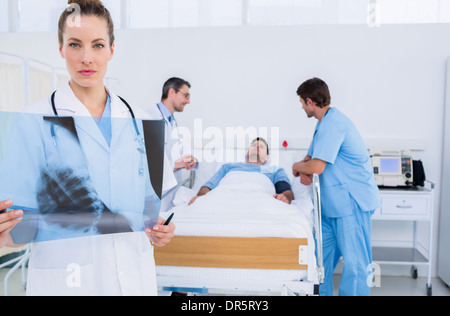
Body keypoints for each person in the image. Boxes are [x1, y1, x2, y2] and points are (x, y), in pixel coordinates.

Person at [0, 0, 176, 296]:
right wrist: (6, 233)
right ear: (60, 49)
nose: (86, 58)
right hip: (67, 283)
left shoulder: (141, 119)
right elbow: (20, 228)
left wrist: (162, 232)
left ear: (111, 50)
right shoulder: (31, 121)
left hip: (133, 279)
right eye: (74, 44)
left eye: (97, 45)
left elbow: (157, 206)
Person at [292, 78, 381, 296]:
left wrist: (298, 166)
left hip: (351, 204)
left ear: (310, 101)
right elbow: (310, 158)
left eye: (302, 103)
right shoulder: (323, 124)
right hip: (331, 207)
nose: (301, 107)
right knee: (319, 263)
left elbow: (317, 166)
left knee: (356, 264)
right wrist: (305, 168)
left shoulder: (335, 124)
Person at [189, 137, 294, 205]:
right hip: (224, 200)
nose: (257, 147)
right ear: (247, 153)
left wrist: (285, 197)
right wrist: (200, 199)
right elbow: (208, 186)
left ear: (267, 158)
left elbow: (286, 192)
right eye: (254, 146)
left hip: (259, 202)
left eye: (261, 147)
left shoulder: (274, 170)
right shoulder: (228, 167)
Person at [148, 77, 198, 211]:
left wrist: (191, 158)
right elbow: (146, 159)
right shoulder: (149, 118)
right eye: (186, 95)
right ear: (171, 93)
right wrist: (174, 165)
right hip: (154, 192)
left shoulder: (173, 122)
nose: (188, 101)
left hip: (170, 192)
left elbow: (181, 148)